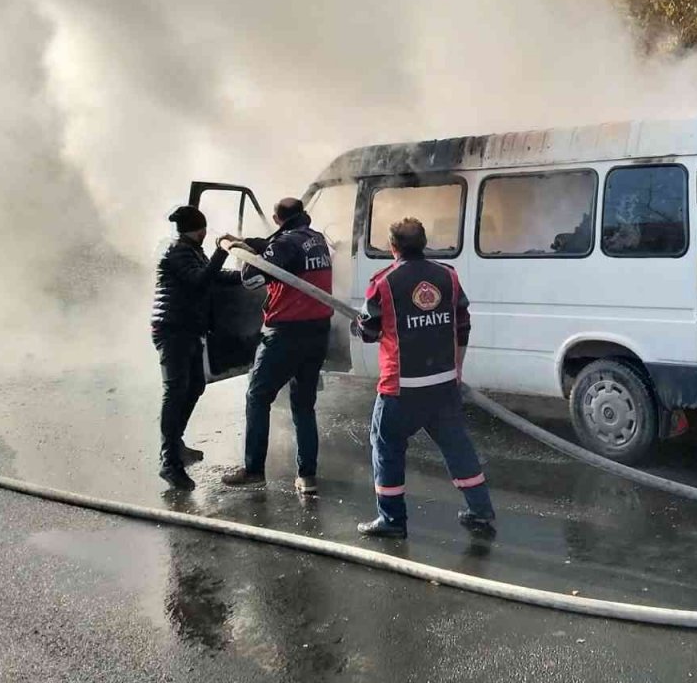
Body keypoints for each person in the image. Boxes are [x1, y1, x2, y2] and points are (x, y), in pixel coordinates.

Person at [354, 217, 496, 539]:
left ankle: (392, 520)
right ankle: (481, 511)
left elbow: (368, 332)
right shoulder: (448, 277)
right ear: (424, 242)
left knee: (386, 446)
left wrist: (359, 324)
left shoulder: (383, 283)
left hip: (400, 388)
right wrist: (456, 372)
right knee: (457, 446)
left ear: (392, 247)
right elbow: (462, 326)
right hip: (443, 385)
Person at [221, 198, 333, 495]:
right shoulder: (316, 239)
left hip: (286, 334)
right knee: (303, 405)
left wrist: (243, 254)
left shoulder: (285, 245)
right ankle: (307, 476)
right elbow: (277, 245)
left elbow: (251, 279)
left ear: (275, 217)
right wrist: (247, 242)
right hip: (318, 333)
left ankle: (254, 469)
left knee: (257, 396)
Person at [151, 205, 242, 491]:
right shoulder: (178, 251)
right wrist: (222, 250)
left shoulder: (191, 250)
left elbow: (213, 276)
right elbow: (199, 280)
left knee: (195, 386)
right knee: (176, 391)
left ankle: (176, 444)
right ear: (200, 230)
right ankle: (170, 462)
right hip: (172, 331)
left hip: (187, 331)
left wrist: (249, 276)